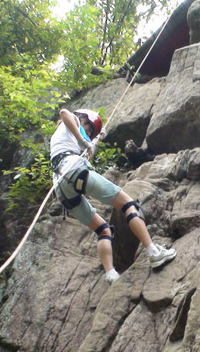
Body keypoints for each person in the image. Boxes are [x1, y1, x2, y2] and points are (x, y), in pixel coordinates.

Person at [50, 108, 176, 283]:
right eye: (88, 127)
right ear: (83, 118)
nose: (87, 131)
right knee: (129, 204)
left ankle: (111, 275)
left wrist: (95, 139)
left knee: (103, 229)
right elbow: (64, 112)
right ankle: (154, 252)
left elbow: (88, 153)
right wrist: (82, 138)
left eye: (89, 131)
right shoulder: (74, 121)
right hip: (73, 169)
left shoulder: (63, 137)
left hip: (62, 189)